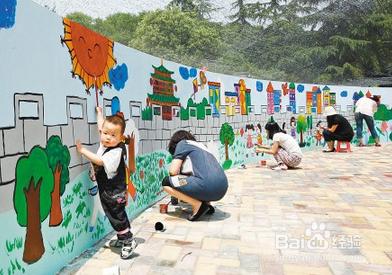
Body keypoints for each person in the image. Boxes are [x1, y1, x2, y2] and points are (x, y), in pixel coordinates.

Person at [76, 107, 137, 259]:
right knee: (115, 215)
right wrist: (99, 113)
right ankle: (122, 236)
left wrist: (82, 150)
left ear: (121, 137)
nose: (107, 138)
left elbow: (99, 161)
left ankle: (128, 241)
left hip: (114, 192)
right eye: (105, 133)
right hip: (108, 190)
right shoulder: (106, 142)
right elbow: (101, 126)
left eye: (113, 135)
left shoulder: (116, 151)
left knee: (116, 216)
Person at [162, 130, 228, 221]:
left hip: (208, 186)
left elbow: (173, 172)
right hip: (222, 188)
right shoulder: (201, 146)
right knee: (194, 179)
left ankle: (197, 205)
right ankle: (207, 205)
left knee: (166, 182)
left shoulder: (182, 144)